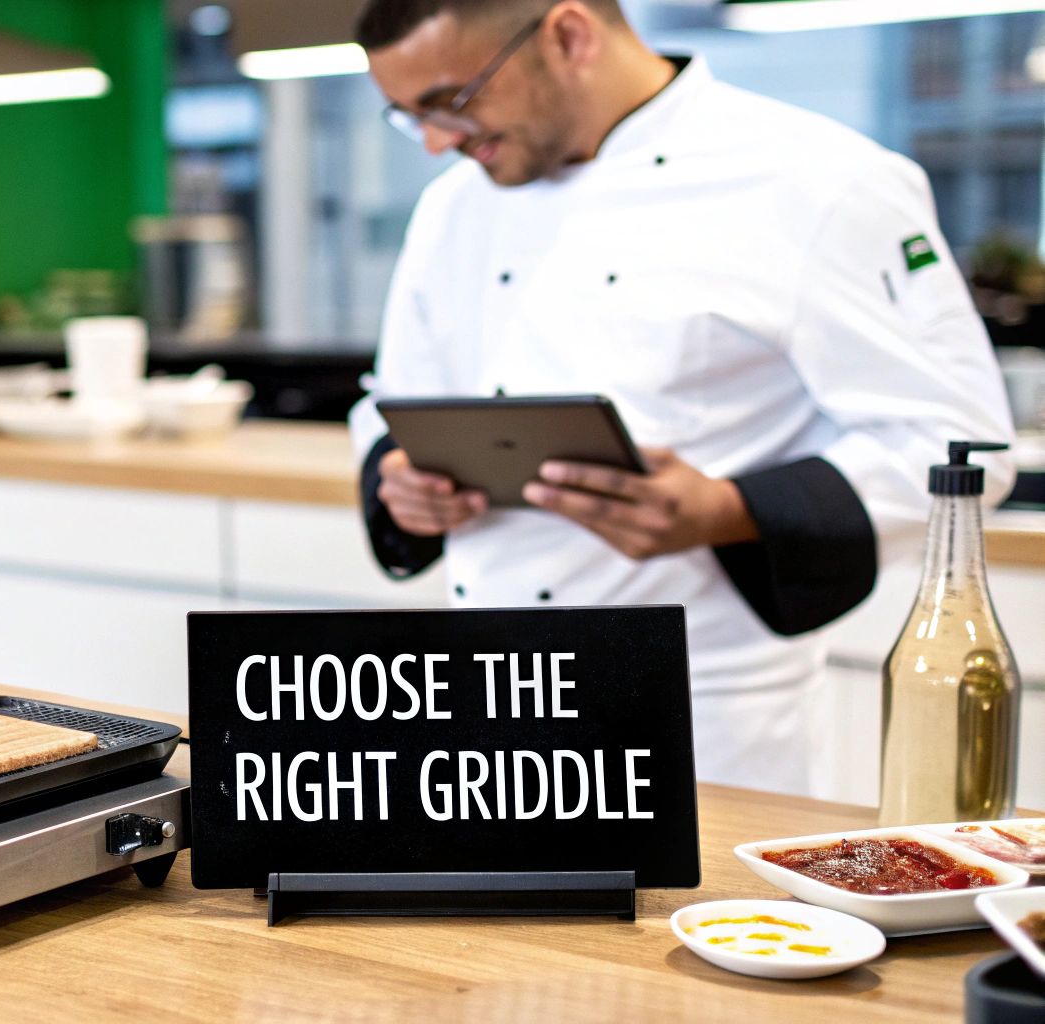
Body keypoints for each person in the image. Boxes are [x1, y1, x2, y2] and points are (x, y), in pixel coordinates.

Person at [347, 0, 1016, 795]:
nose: (434, 143)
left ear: (569, 35)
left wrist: (729, 508)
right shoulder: (453, 207)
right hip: (492, 705)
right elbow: (392, 401)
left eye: (452, 102)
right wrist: (399, 476)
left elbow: (961, 442)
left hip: (706, 722)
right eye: (407, 116)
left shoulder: (820, 181)